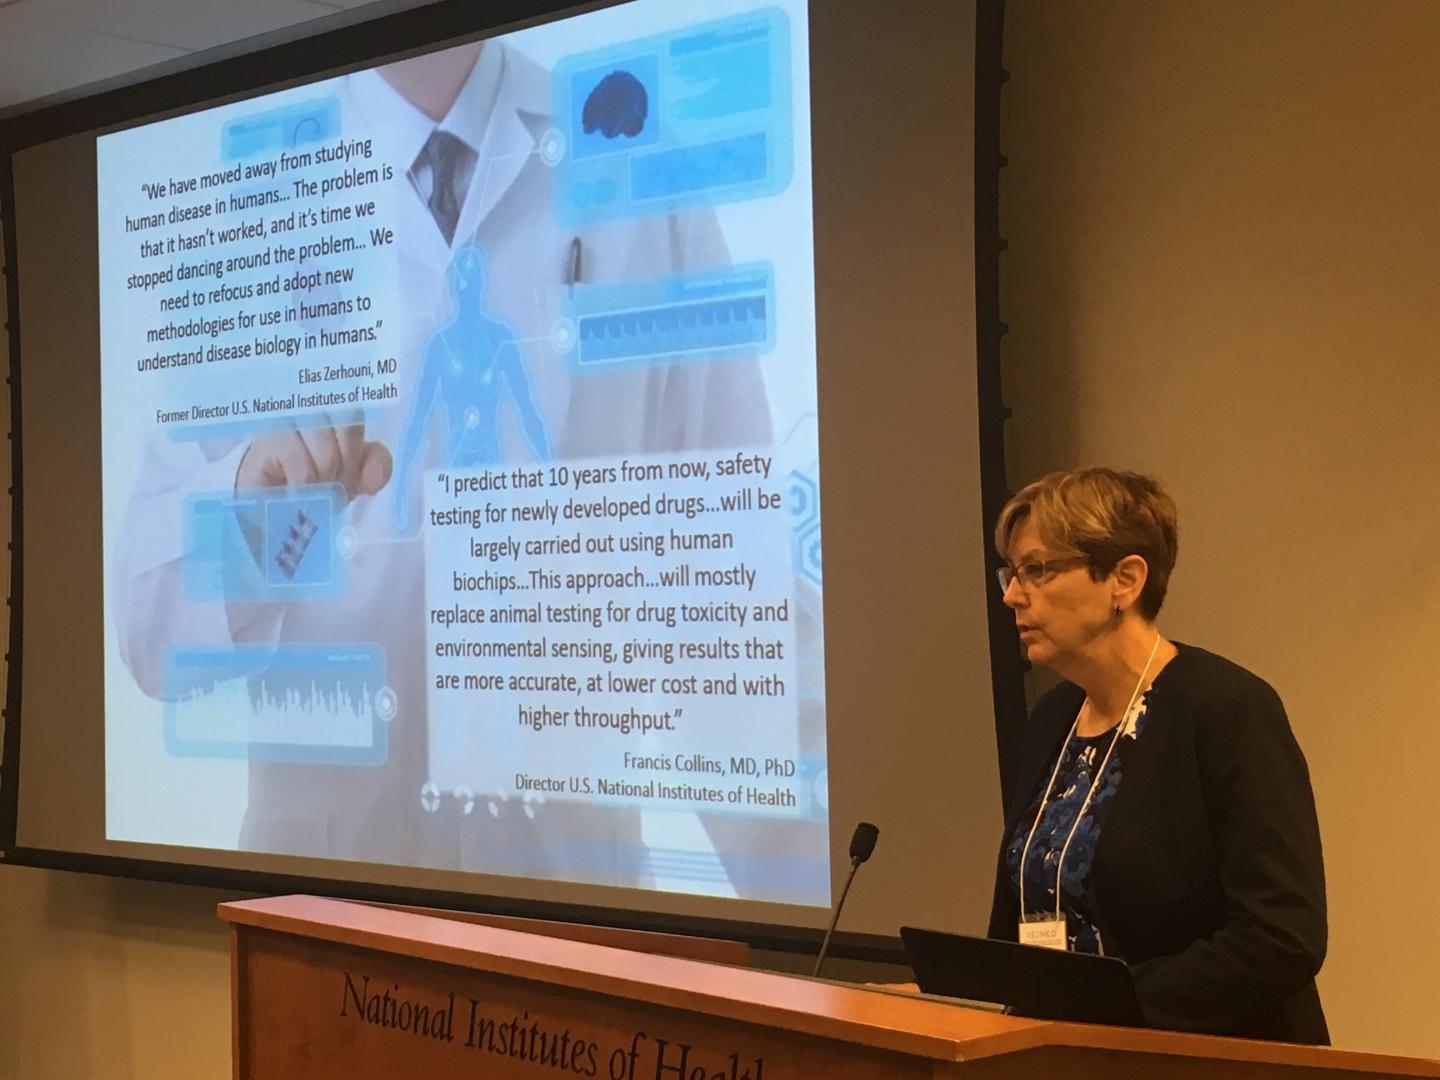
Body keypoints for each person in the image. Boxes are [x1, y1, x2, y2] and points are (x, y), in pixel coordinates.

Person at [110, 33, 829, 898]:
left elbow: (732, 577)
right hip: (332, 900)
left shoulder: (635, 159)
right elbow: (148, 630)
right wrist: (254, 519)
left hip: (573, 895)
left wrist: (832, 911)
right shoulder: (251, 202)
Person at [988, 467, 1328, 1043]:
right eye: (1012, 573)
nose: (1012, 595)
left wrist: (1109, 1004)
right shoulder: (1053, 718)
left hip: (1214, 1058)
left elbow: (1281, 936)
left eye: (1037, 570)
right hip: (1061, 1054)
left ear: (1125, 579)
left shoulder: (1224, 709)